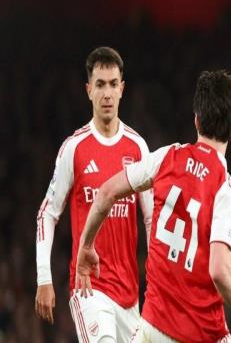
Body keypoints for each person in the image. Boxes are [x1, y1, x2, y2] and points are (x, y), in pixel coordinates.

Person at [75, 70, 231, 342]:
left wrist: (86, 246)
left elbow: (106, 192)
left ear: (196, 120)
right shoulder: (227, 190)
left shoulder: (166, 158)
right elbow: (219, 270)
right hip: (203, 335)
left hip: (151, 329)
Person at [35, 47, 153, 342]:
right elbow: (47, 214)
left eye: (113, 84)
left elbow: (151, 218)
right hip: (89, 288)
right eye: (100, 84)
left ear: (122, 89)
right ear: (88, 90)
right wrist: (44, 277)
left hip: (130, 295)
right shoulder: (74, 148)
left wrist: (158, 279)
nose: (107, 93)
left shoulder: (138, 148)